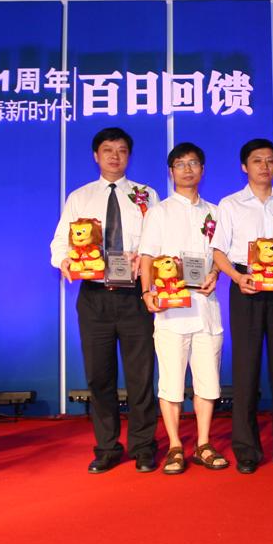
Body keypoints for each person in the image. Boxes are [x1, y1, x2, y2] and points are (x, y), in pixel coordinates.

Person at [50, 127, 160, 474]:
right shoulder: (80, 197)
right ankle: (107, 447)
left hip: (134, 296)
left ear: (129, 156)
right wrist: (65, 261)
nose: (115, 156)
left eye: (122, 150)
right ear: (96, 156)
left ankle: (143, 446)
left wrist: (143, 258)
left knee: (141, 377)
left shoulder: (146, 195)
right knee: (100, 377)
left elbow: (159, 241)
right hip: (94, 297)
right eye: (108, 150)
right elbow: (60, 242)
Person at [211, 138, 273, 474]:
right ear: (245, 166)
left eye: (270, 160)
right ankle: (247, 451)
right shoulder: (230, 204)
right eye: (257, 160)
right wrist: (237, 278)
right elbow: (218, 252)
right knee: (246, 370)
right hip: (247, 286)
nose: (264, 166)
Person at [138, 142, 228, 474]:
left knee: (207, 380)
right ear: (171, 171)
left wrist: (216, 274)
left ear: (203, 169)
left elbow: (221, 255)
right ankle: (176, 445)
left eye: (193, 163)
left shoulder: (216, 212)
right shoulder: (159, 212)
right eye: (180, 164)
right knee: (171, 382)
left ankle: (203, 443)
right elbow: (147, 255)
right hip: (171, 310)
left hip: (205, 306)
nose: (187, 169)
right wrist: (147, 291)